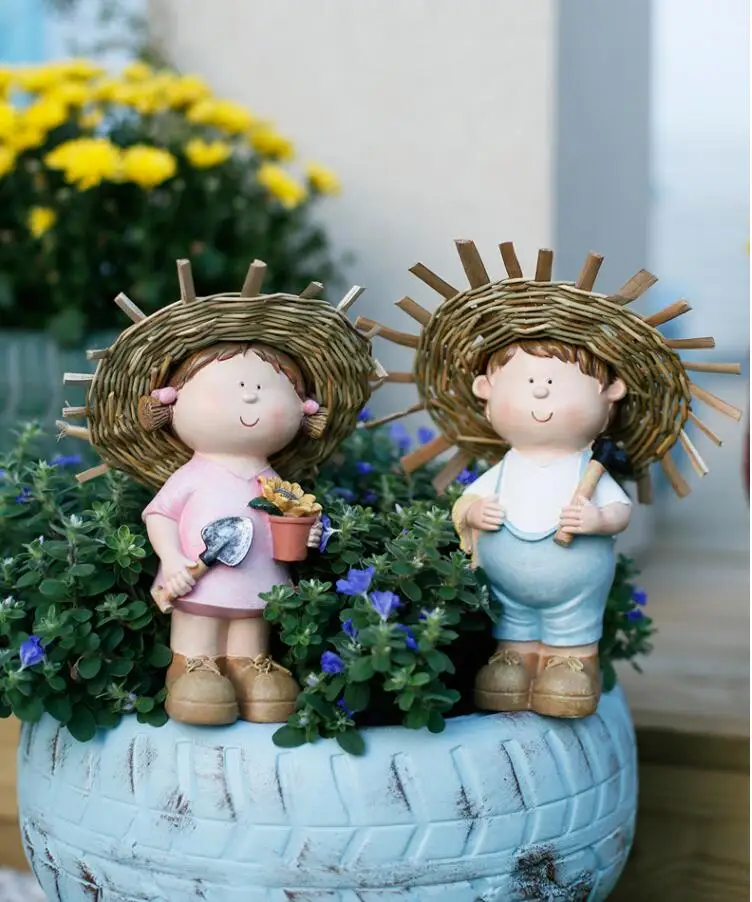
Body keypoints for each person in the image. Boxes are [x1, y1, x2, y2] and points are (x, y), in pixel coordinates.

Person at [451, 341, 631, 718]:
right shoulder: (506, 467)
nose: (540, 391)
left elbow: (620, 511)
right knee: (514, 623)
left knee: (573, 627)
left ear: (610, 394)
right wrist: (474, 512)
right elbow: (466, 503)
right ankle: (514, 657)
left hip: (575, 591)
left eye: (554, 382)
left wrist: (598, 520)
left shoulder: (588, 467)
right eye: (528, 381)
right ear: (486, 392)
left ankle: (572, 662)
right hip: (508, 589)